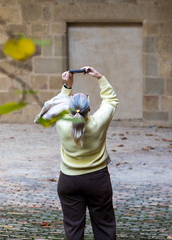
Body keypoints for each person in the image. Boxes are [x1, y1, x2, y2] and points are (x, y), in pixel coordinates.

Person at [55, 66, 119, 240]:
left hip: (68, 180)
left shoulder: (61, 122)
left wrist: (67, 86)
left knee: (73, 228)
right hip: (97, 180)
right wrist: (99, 77)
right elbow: (111, 100)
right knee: (104, 226)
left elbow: (58, 103)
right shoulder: (99, 122)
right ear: (89, 109)